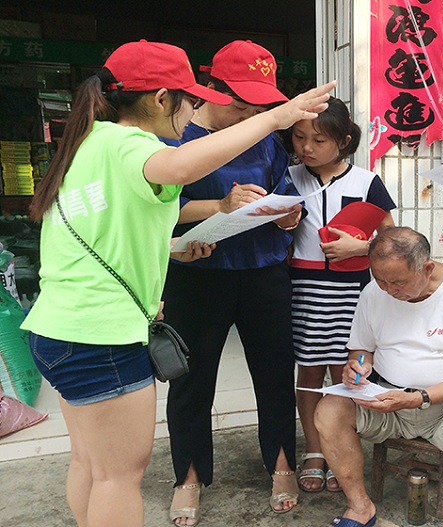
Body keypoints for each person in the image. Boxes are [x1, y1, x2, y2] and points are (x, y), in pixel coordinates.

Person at [20, 39, 333, 527]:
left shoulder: (89, 142)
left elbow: (115, 232)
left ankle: (279, 465)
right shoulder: (133, 145)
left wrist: (172, 248)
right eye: (189, 99)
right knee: (117, 477)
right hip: (102, 330)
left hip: (59, 326)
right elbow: (181, 167)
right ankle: (188, 478)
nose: (191, 112)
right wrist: (277, 117)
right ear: (162, 98)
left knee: (91, 464)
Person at [161, 40, 307, 525]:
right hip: (197, 274)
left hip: (264, 270)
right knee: (191, 379)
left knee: (274, 371)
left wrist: (287, 215)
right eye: (241, 107)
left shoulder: (264, 137)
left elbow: (285, 191)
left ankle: (282, 464)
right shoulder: (176, 137)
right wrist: (221, 207)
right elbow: (157, 210)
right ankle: (188, 476)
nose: (251, 117)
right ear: (211, 90)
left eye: (259, 110)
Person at [315, 226, 443, 527]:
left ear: (426, 268)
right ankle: (360, 507)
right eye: (381, 280)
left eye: (398, 282)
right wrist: (358, 366)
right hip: (386, 398)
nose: (389, 291)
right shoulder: (373, 293)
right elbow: (362, 349)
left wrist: (418, 398)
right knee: (329, 410)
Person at [288, 97, 395, 494]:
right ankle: (314, 450)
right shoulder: (289, 178)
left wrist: (360, 248)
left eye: (318, 140)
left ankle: (340, 449)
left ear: (344, 141)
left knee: (347, 370)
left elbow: (391, 239)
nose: (307, 148)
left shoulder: (366, 182)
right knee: (309, 370)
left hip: (353, 291)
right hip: (305, 289)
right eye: (299, 138)